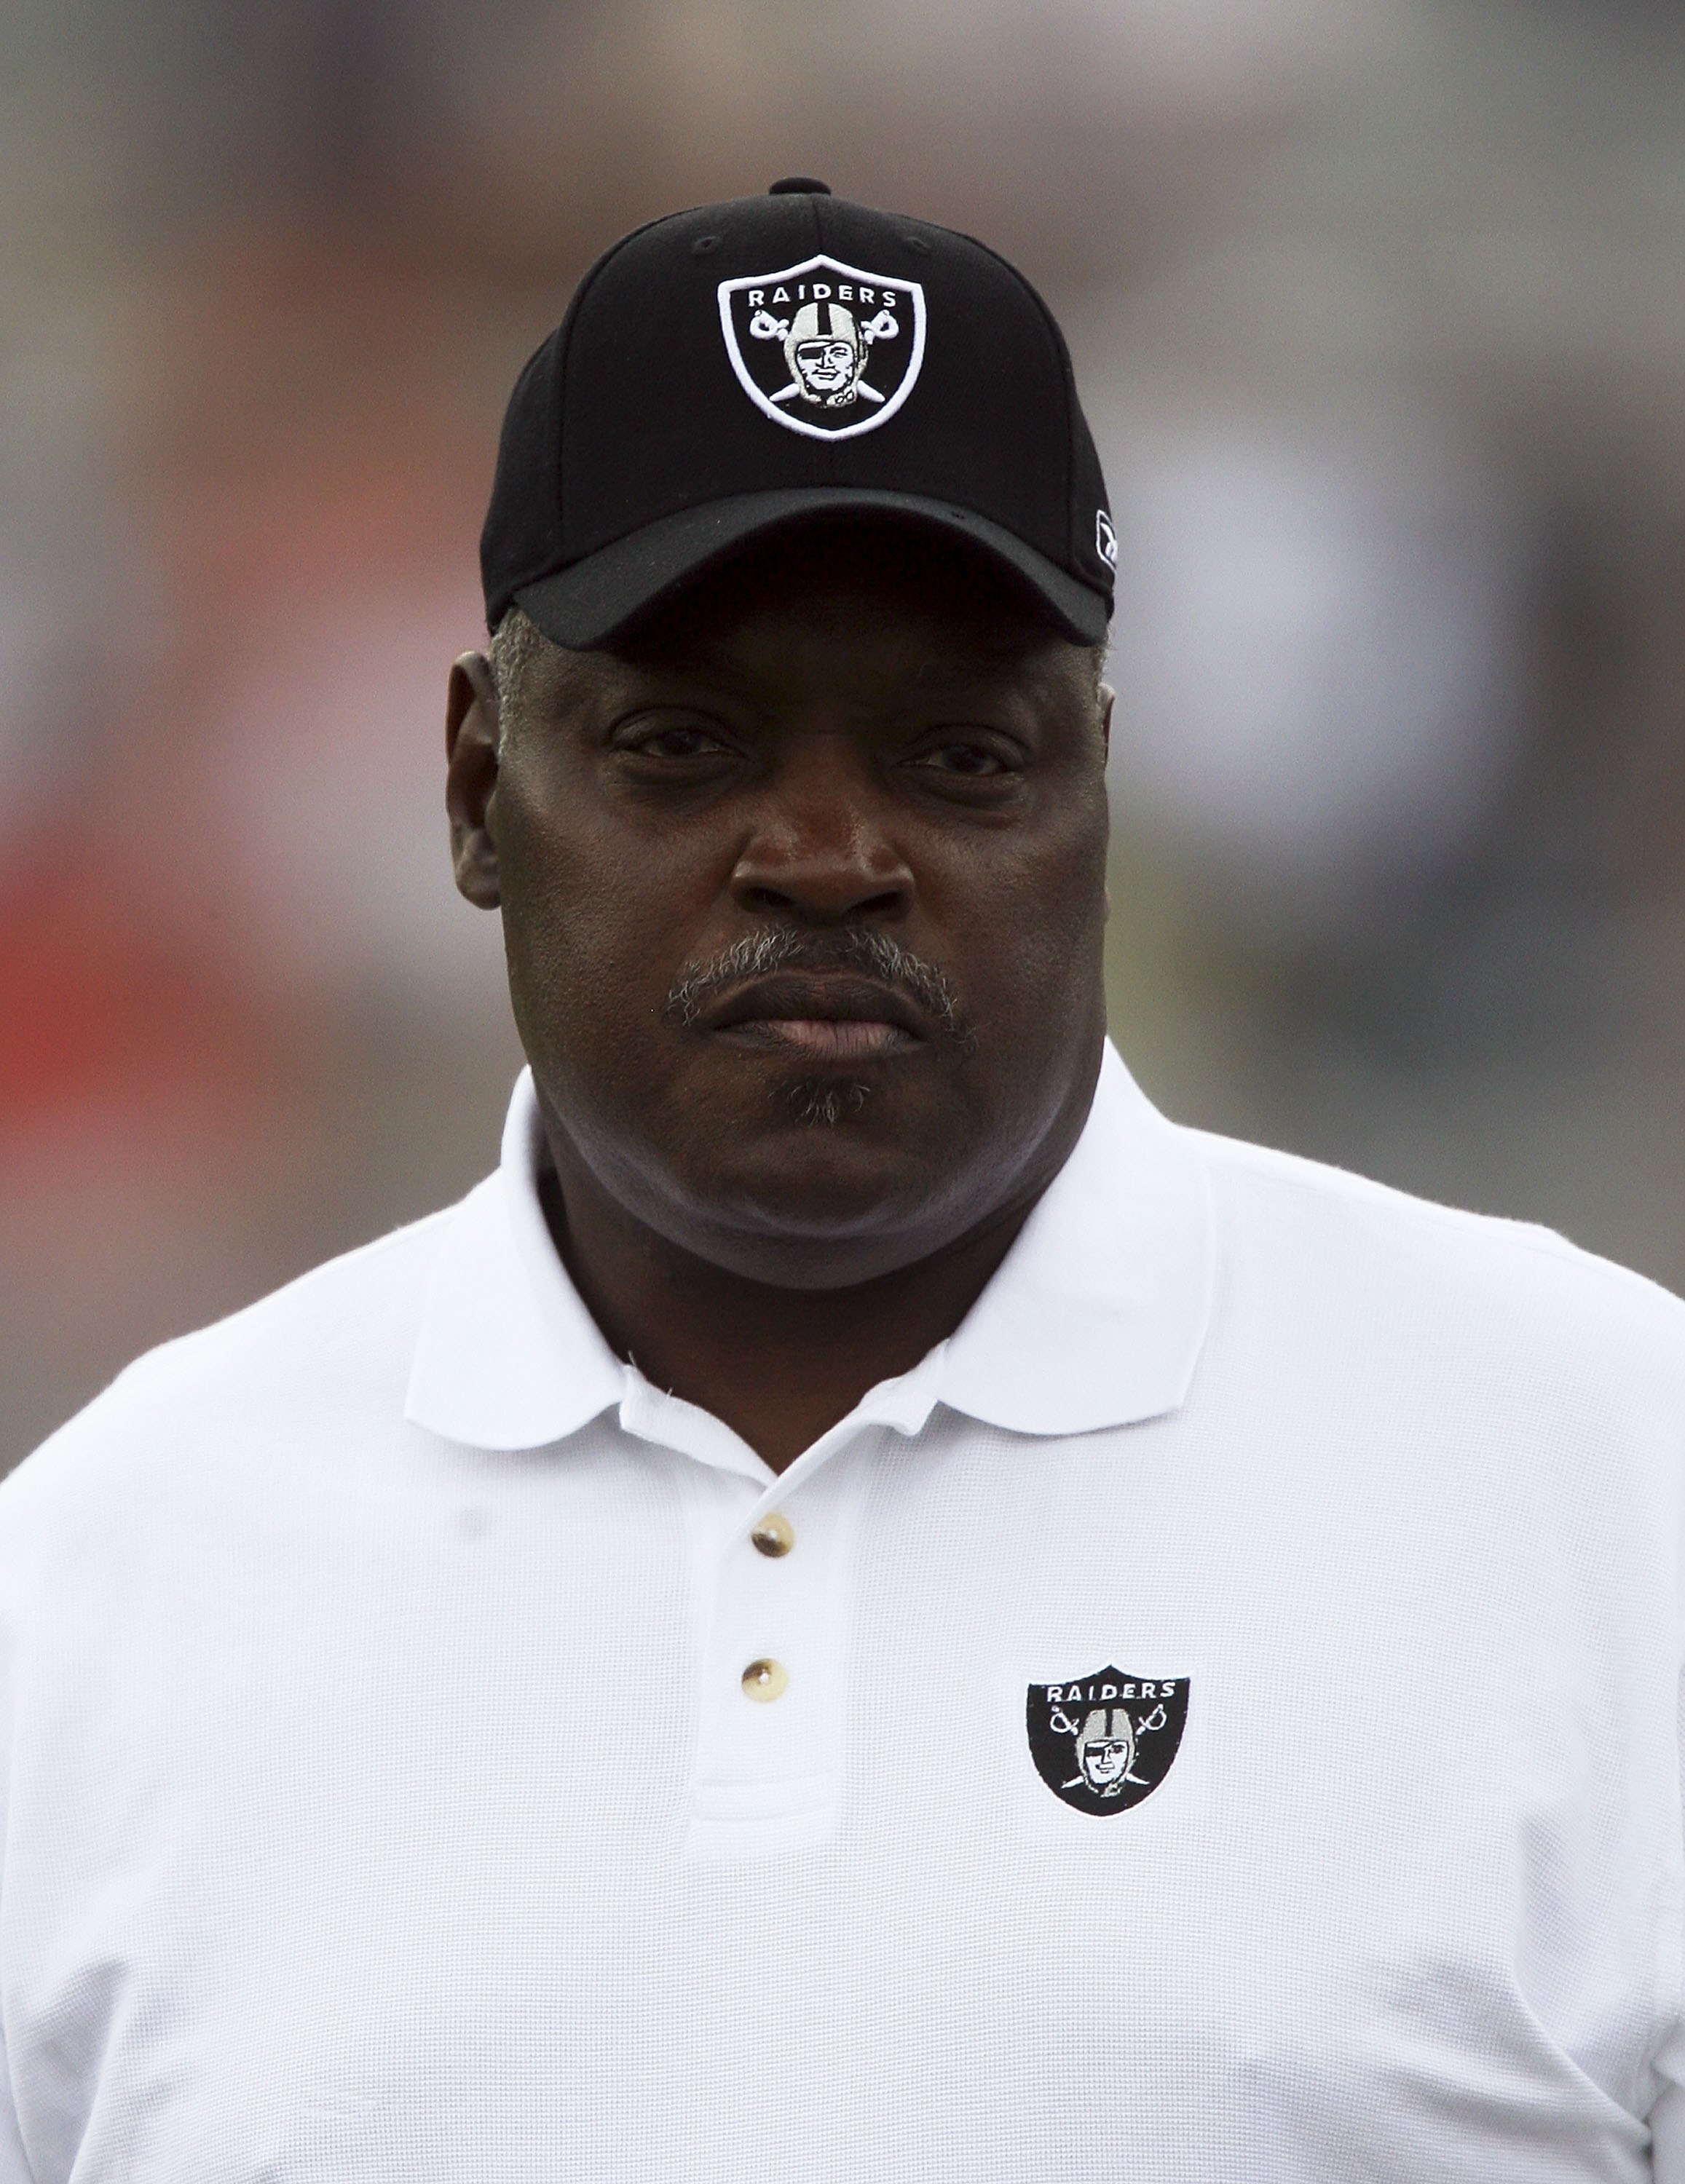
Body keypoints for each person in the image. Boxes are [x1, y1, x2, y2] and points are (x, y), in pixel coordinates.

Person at [2, 178, 1684, 2184]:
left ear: (1098, 794)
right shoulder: (105, 1579)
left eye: (958, 758)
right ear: (472, 788)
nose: (823, 855)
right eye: (684, 748)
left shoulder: (1601, 1471)